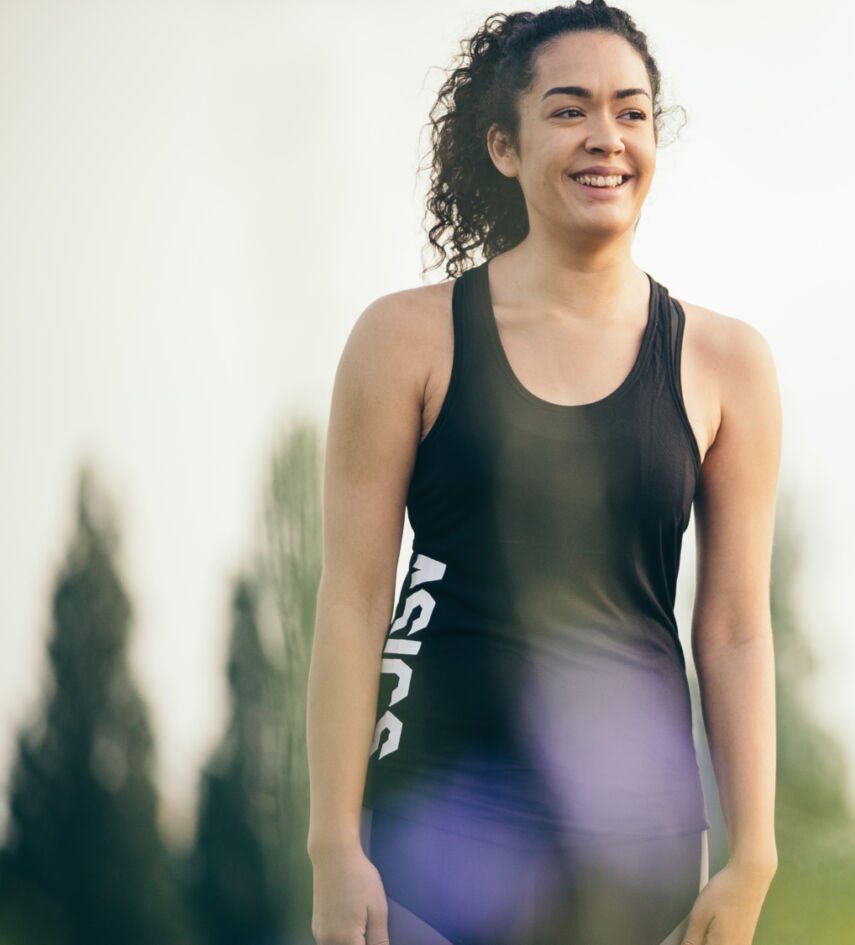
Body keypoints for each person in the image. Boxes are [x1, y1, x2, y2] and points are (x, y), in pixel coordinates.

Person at [304, 3, 781, 943]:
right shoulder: (405, 340)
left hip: (637, 859)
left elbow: (733, 629)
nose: (606, 137)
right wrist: (333, 843)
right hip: (432, 842)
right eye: (568, 110)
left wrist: (753, 853)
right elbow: (351, 603)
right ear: (505, 146)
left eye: (631, 112)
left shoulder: (728, 365)